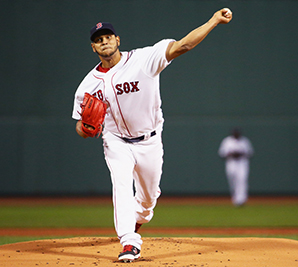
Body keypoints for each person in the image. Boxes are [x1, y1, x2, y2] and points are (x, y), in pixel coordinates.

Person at [71, 8, 232, 262]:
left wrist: (213, 21)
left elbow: (183, 46)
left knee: (147, 202)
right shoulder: (87, 85)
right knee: (121, 185)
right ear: (93, 47)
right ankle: (129, 241)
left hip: (149, 140)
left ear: (117, 40)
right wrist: (86, 129)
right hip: (115, 141)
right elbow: (81, 127)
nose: (104, 42)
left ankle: (136, 222)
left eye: (108, 37)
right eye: (98, 40)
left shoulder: (143, 60)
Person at [218, 128, 253, 206]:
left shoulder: (244, 141)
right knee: (233, 181)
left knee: (242, 180)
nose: (236, 135)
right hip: (231, 163)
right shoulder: (227, 141)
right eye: (234, 133)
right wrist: (231, 154)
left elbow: (250, 153)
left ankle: (241, 200)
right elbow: (221, 154)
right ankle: (235, 199)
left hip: (242, 163)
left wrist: (240, 153)